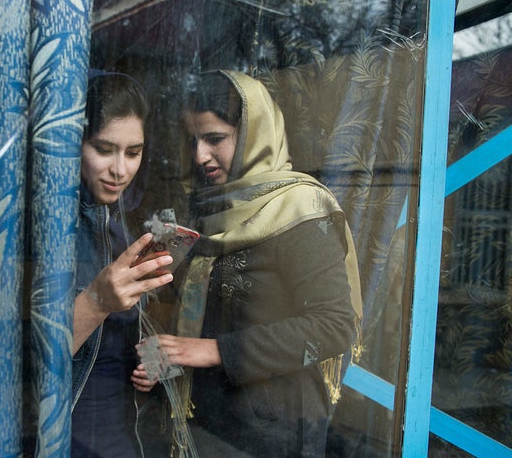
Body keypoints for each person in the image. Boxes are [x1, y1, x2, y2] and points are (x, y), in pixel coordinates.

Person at [137, 70, 363, 457]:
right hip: (210, 418)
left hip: (276, 430)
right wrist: (164, 354)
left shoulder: (300, 211)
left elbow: (335, 326)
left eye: (215, 139)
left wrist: (212, 351)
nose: (199, 156)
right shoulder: (214, 209)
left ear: (255, 132)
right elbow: (211, 310)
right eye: (193, 141)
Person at [71, 73, 172, 458]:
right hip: (62, 430)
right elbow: (21, 360)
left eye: (133, 153)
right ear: (75, 142)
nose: (120, 170)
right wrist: (96, 300)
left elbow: (143, 321)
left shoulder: (129, 223)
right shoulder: (45, 228)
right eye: (104, 148)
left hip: (126, 428)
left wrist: (154, 364)